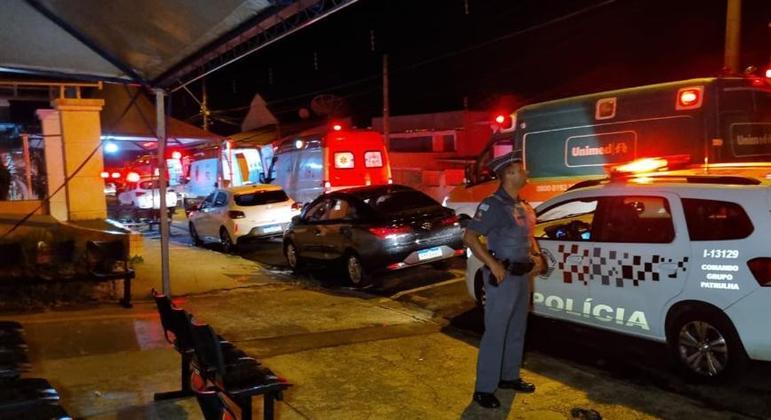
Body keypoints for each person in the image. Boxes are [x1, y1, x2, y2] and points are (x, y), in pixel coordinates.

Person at [464, 150, 541, 409]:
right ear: (509, 174)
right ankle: (484, 389)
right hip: (503, 276)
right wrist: (492, 263)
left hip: (522, 277)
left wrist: (537, 256)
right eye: (522, 169)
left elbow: (529, 236)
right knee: (496, 332)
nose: (526, 172)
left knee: (517, 329)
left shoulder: (522, 205)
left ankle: (509, 376)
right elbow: (470, 238)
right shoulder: (493, 205)